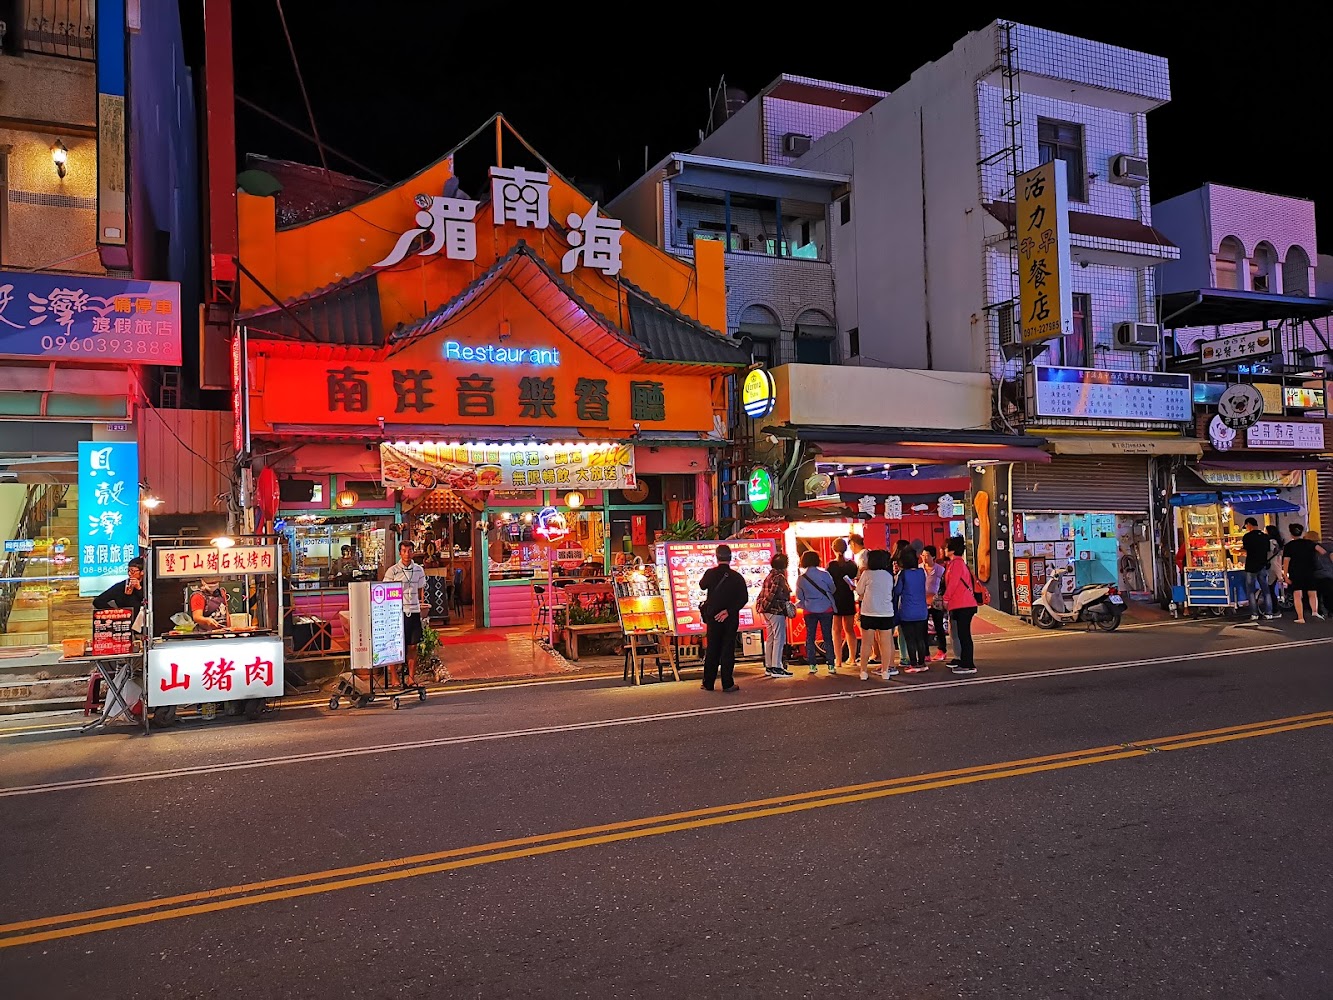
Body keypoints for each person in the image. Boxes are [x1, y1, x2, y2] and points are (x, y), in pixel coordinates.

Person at [698, 544, 749, 692]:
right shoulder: (737, 577)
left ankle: (708, 683)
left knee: (712, 649)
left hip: (713, 617)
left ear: (717, 556)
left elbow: (702, 585)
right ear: (731, 557)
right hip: (730, 618)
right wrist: (728, 611)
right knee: (728, 649)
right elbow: (743, 598)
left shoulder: (710, 573)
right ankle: (727, 683)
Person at [384, 541, 428, 685]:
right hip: (398, 612)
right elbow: (386, 591)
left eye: (409, 551)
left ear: (413, 552)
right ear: (399, 553)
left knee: (413, 646)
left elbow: (422, 589)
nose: (407, 554)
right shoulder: (392, 571)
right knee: (395, 646)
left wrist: (422, 606)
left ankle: (411, 678)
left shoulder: (419, 570)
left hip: (414, 611)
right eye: (404, 551)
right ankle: (394, 677)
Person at [855, 548, 897, 681]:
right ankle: (885, 671)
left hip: (868, 612)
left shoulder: (867, 574)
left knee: (866, 643)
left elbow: (859, 590)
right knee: (885, 643)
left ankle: (863, 671)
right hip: (886, 612)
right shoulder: (888, 576)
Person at [796, 550, 838, 676]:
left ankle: (812, 665)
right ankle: (831, 664)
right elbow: (833, 589)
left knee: (810, 637)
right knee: (827, 636)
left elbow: (799, 596)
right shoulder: (825, 574)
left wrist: (806, 603)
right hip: (826, 608)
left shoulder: (801, 578)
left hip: (809, 610)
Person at [942, 535, 979, 676]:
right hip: (960, 604)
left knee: (964, 635)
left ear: (951, 550)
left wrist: (946, 598)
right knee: (959, 633)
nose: (944, 550)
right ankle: (962, 660)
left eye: (946, 547)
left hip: (964, 604)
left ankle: (968, 664)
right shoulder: (955, 563)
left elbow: (953, 584)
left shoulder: (957, 564)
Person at [757, 553, 794, 678]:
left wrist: (762, 607)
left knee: (771, 638)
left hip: (766, 611)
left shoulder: (770, 575)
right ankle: (777, 667)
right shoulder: (779, 577)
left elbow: (764, 593)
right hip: (775, 610)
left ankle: (769, 666)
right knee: (779, 638)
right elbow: (774, 594)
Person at [894, 547, 930, 672]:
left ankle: (913, 663)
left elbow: (897, 591)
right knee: (920, 637)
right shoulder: (921, 572)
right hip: (922, 611)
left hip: (907, 611)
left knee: (910, 639)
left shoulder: (903, 574)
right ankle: (922, 663)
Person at [1281, 524, 1325, 624]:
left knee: (1297, 594)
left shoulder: (1289, 546)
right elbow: (1322, 551)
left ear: (1291, 533)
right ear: (1302, 532)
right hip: (1310, 571)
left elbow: (1286, 561)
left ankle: (1300, 617)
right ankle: (1314, 611)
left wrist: (1285, 575)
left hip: (1296, 572)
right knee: (1312, 593)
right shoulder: (1309, 543)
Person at [827, 539, 858, 670]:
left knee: (836, 630)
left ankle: (838, 660)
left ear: (833, 549)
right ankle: (852, 658)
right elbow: (855, 579)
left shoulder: (831, 565)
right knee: (850, 630)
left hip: (835, 599)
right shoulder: (852, 565)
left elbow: (827, 582)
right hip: (848, 599)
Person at [1240, 518, 1276, 620]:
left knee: (1250, 591)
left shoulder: (1247, 537)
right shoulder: (1265, 537)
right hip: (1263, 565)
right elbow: (1267, 550)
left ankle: (1254, 614)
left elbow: (1245, 549)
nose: (1246, 528)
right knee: (1266, 590)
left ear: (1249, 524)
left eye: (1246, 526)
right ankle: (1269, 613)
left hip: (1251, 566)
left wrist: (1237, 551)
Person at [922, 545, 948, 661]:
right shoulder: (919, 568)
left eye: (927, 555)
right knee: (923, 627)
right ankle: (925, 653)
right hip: (923, 601)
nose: (924, 558)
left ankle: (942, 650)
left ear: (933, 556)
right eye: (923, 555)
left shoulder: (939, 570)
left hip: (936, 601)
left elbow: (943, 586)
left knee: (938, 626)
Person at [1307, 530, 1333, 615]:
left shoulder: (1308, 548)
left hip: (1314, 574)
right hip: (1328, 574)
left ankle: (1318, 611)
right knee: (1329, 595)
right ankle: (1330, 611)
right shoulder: (1327, 546)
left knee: (1316, 594)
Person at [1265, 524, 1286, 610]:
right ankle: (1274, 608)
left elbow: (1271, 556)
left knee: (1270, 589)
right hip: (1276, 567)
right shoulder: (1278, 543)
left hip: (1271, 568)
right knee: (1271, 589)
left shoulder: (1271, 542)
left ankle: (1274, 609)